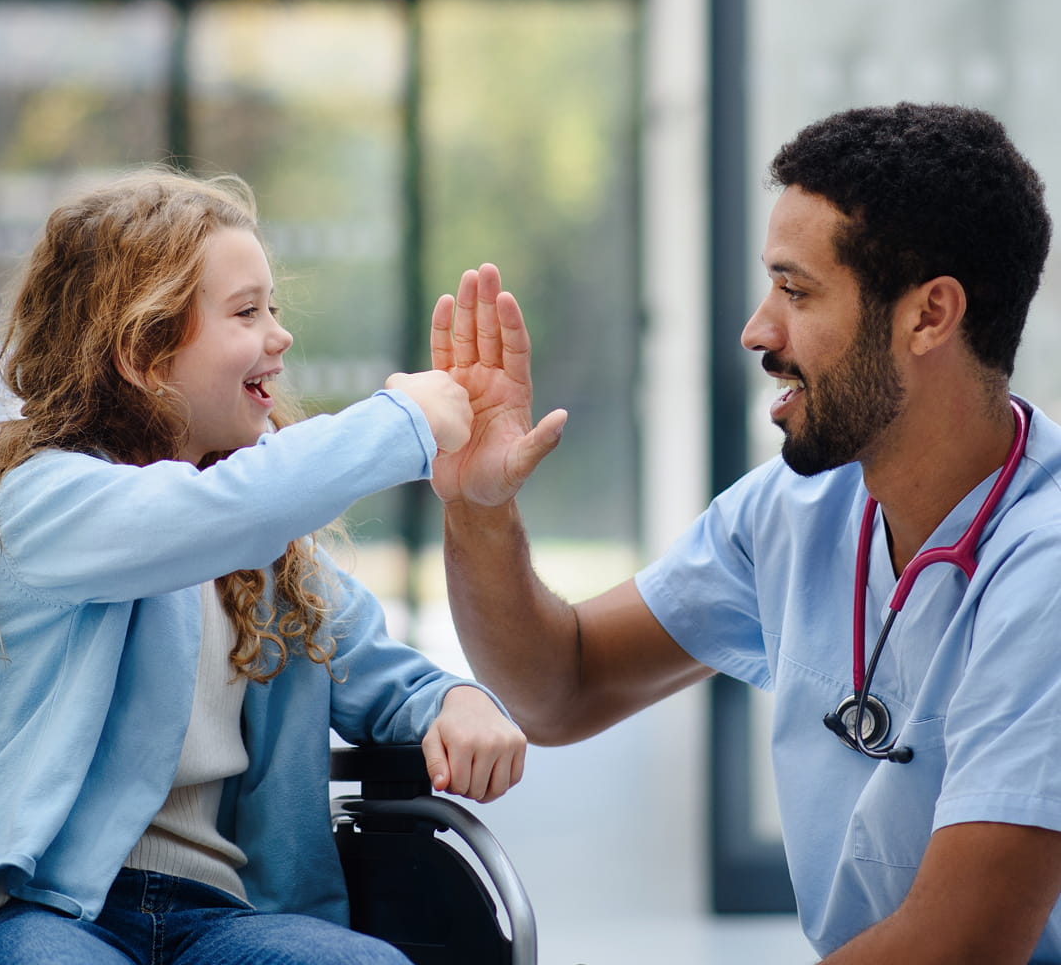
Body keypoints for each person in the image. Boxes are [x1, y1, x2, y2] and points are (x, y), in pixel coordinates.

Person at [430, 103, 1061, 963]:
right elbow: (558, 689)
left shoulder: (1046, 563)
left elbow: (964, 944)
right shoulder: (798, 511)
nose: (758, 331)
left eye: (797, 292)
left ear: (929, 315)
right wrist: (478, 506)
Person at [0, 167, 526, 965]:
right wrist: (402, 422)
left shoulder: (268, 553)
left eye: (273, 307)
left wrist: (455, 701)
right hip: (50, 910)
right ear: (142, 351)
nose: (281, 334)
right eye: (246, 312)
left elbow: (376, 670)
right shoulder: (45, 502)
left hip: (223, 916)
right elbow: (207, 517)